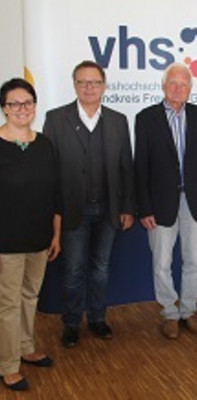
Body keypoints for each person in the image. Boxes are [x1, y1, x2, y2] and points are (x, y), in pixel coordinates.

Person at [43, 61, 135, 348]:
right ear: (74, 86)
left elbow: (126, 168)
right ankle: (71, 323)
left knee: (101, 268)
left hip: (108, 209)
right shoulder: (56, 119)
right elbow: (48, 170)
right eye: (82, 82)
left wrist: (127, 208)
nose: (89, 87)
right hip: (72, 210)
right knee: (73, 270)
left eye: (95, 82)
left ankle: (97, 318)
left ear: (104, 86)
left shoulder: (118, 120)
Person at [134, 63, 197, 339]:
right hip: (159, 204)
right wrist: (144, 208)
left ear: (190, 88)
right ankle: (170, 313)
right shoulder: (146, 118)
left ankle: (189, 311)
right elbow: (140, 167)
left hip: (194, 202)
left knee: (193, 261)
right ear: (163, 86)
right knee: (162, 262)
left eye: (184, 84)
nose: (178, 89)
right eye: (173, 83)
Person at [0, 78, 61, 391]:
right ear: (4, 108)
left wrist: (56, 234)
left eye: (27, 103)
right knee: (8, 304)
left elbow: (55, 194)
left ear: (34, 106)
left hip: (39, 237)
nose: (21, 108)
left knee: (29, 296)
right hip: (6, 241)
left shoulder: (44, 144)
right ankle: (8, 365)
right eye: (14, 103)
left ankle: (26, 347)